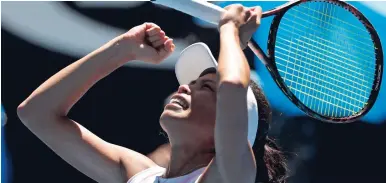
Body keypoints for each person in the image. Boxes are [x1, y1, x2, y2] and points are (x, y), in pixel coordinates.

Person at [17, 4, 287, 183]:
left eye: (204, 86)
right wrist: (122, 49)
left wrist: (231, 32)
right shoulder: (140, 175)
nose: (184, 87)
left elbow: (232, 89)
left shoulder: (233, 175)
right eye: (192, 83)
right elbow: (35, 113)